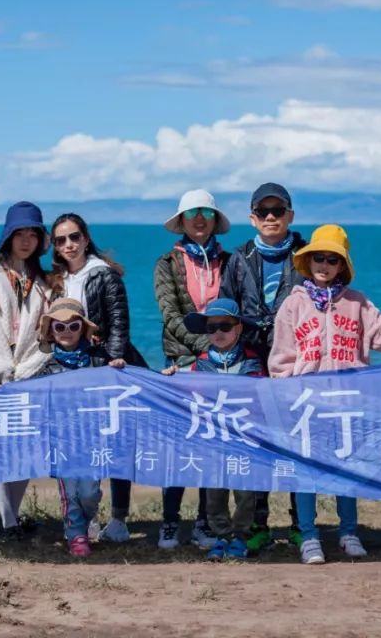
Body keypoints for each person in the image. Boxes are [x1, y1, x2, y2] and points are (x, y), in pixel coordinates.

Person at [269, 224, 381, 565]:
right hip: (307, 404)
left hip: (348, 403)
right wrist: (287, 395)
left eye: (332, 259)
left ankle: (348, 532)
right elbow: (281, 357)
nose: (324, 265)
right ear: (308, 261)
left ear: (342, 265)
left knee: (347, 469)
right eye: (318, 258)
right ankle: (309, 537)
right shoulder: (292, 305)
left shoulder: (357, 303)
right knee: (307, 471)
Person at [218, 182, 306, 549]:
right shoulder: (239, 258)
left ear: (290, 215)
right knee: (256, 446)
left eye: (278, 210)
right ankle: (257, 525)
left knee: (298, 444)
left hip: (298, 363)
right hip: (252, 361)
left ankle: (303, 523)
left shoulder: (307, 254)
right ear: (253, 219)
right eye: (263, 212)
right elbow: (227, 307)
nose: (271, 217)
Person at [49, 213, 146, 543]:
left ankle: (119, 517)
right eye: (60, 240)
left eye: (74, 237)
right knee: (80, 442)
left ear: (86, 238)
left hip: (108, 365)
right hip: (76, 367)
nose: (68, 245)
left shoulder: (104, 275)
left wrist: (113, 357)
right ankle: (84, 517)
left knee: (118, 440)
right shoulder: (57, 279)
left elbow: (119, 320)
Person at [0, 201, 53, 539]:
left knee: (25, 452)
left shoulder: (44, 283)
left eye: (33, 234)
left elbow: (46, 335)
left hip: (31, 376)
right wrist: (1, 372)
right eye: (20, 233)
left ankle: (12, 518)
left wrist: (30, 369)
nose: (27, 240)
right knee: (0, 451)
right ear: (8, 235)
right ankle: (8, 523)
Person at [153, 189, 232, 551]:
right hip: (182, 366)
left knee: (210, 450)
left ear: (215, 219)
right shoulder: (166, 264)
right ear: (181, 221)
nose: (199, 218)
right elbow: (170, 316)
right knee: (176, 448)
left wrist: (219, 354)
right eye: (191, 213)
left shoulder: (230, 262)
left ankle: (205, 522)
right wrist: (207, 348)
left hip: (223, 370)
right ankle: (170, 522)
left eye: (206, 212)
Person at [163, 298, 263, 560]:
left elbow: (264, 399)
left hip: (244, 441)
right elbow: (186, 389)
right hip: (213, 442)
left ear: (238, 328)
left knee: (245, 493)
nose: (218, 333)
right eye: (211, 328)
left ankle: (240, 535)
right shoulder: (200, 364)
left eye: (225, 326)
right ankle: (221, 535)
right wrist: (172, 376)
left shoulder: (253, 362)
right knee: (214, 493)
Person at [35, 298, 127, 557]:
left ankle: (86, 521)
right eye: (59, 327)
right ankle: (75, 533)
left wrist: (119, 369)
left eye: (73, 326)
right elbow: (26, 394)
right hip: (61, 441)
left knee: (88, 492)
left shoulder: (99, 361)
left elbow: (121, 387)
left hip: (93, 440)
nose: (66, 332)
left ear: (83, 328)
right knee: (69, 491)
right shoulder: (47, 368)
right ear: (51, 332)